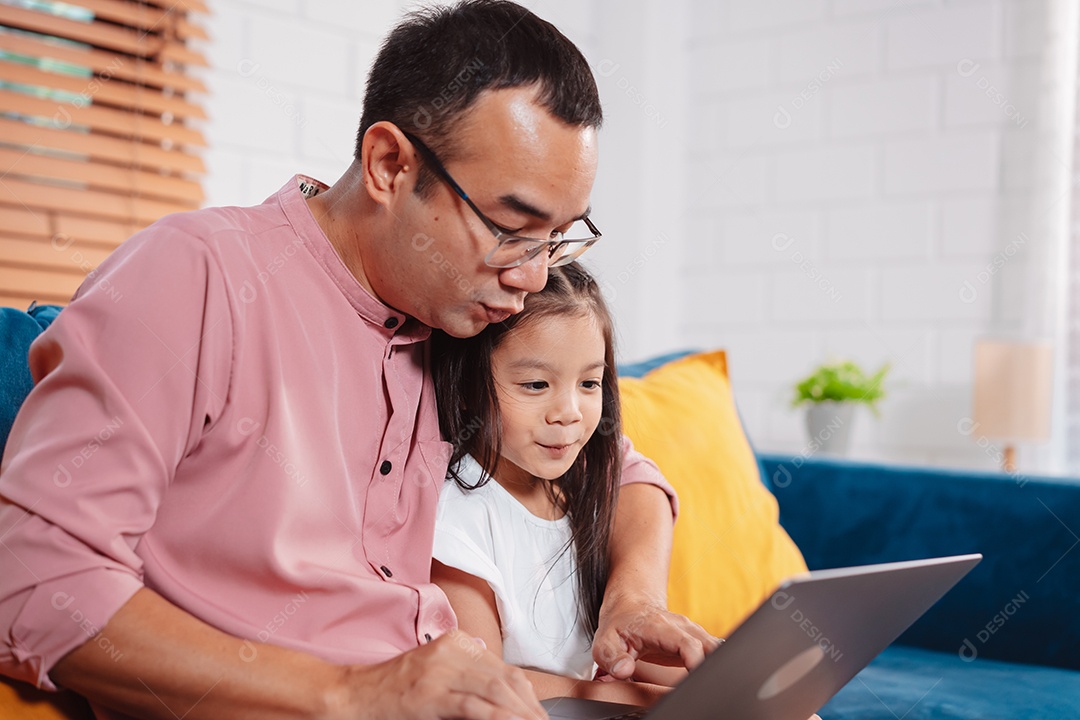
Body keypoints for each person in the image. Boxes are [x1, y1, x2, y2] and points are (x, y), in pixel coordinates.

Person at [0, 2, 716, 719]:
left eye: (557, 237)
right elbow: (33, 577)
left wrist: (633, 597)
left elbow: (617, 465)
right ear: (388, 164)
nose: (532, 278)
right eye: (511, 228)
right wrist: (351, 695)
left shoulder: (461, 314)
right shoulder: (196, 276)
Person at [430, 263, 688, 706]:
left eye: (589, 383)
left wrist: (724, 686)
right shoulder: (457, 512)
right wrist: (635, 700)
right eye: (535, 384)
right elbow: (480, 679)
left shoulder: (577, 494)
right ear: (468, 385)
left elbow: (615, 653)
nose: (568, 411)